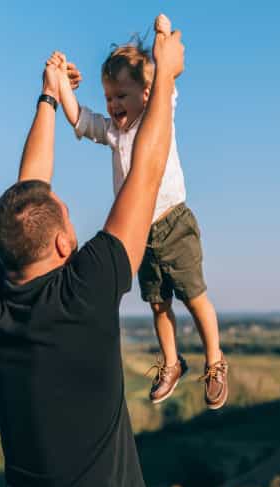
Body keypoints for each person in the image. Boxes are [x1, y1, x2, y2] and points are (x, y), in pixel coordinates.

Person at [0, 15, 184, 487]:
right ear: (61, 243)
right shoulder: (81, 294)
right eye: (67, 218)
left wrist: (51, 95)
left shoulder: (2, 293)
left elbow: (29, 195)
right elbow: (147, 173)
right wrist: (166, 75)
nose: (72, 221)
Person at [54, 14, 228, 409]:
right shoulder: (115, 135)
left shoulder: (156, 115)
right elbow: (79, 118)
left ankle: (215, 360)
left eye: (121, 96)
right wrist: (62, 84)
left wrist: (163, 35)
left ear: (146, 94)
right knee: (157, 302)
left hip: (173, 222)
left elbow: (167, 82)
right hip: (141, 234)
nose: (113, 104)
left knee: (194, 296)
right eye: (109, 97)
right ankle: (171, 362)